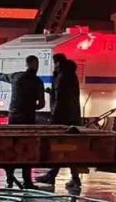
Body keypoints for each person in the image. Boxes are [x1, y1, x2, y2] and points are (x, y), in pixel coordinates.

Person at [36, 57, 85, 193]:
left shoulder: (62, 77)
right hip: (72, 118)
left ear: (59, 63)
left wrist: (55, 118)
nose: (54, 66)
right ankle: (69, 177)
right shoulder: (70, 76)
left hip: (64, 119)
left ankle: (54, 176)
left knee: (63, 148)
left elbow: (61, 100)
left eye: (55, 63)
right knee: (68, 149)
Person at [7, 55, 45, 191]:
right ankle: (27, 181)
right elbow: (41, 104)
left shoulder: (16, 76)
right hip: (27, 118)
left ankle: (9, 179)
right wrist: (29, 107)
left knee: (12, 147)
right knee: (27, 149)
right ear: (35, 64)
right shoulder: (37, 81)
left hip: (13, 117)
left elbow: (1, 76)